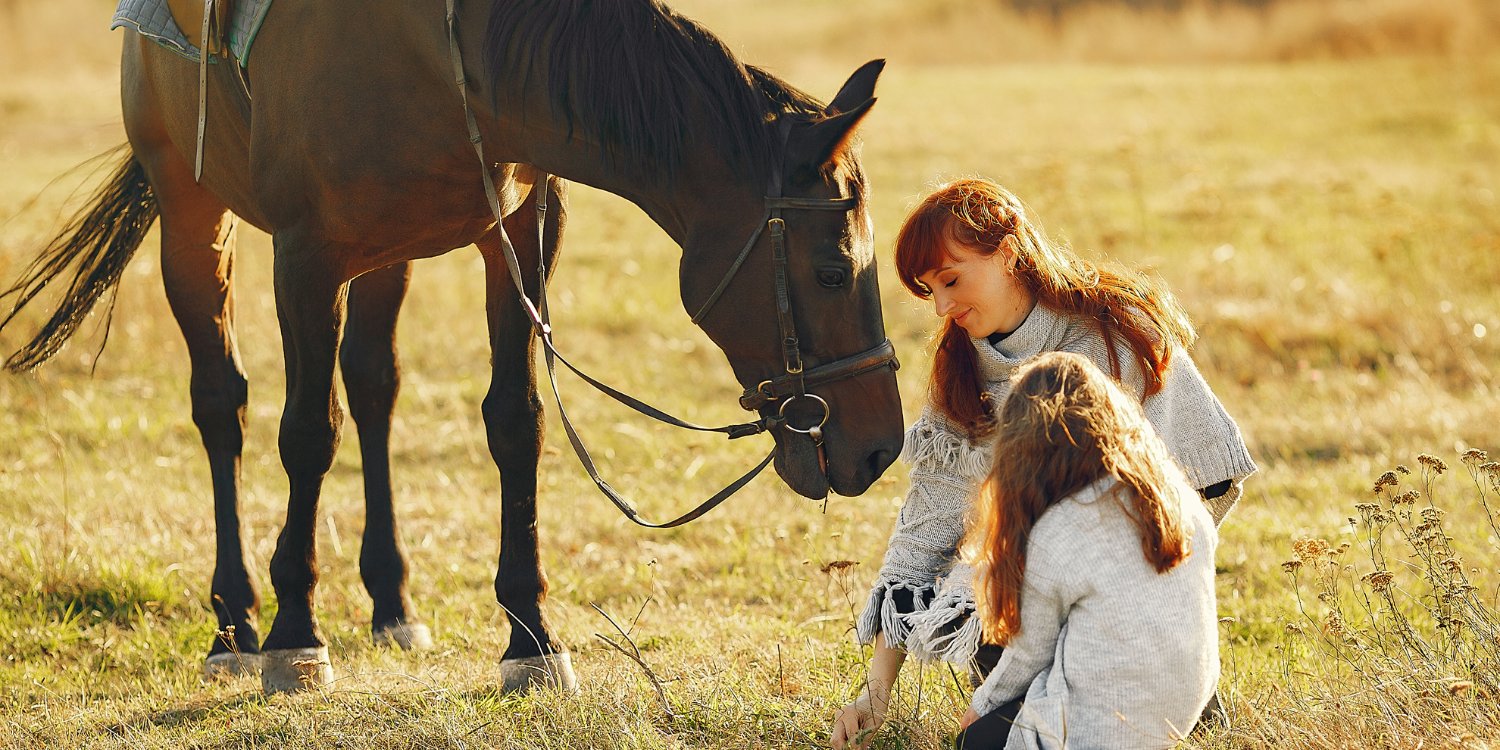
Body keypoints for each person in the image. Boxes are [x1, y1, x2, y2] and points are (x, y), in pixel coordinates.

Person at [830, 178, 1254, 750]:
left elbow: (1201, 487)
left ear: (1007, 251)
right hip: (1037, 598)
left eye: (951, 280)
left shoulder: (1117, 336)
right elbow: (925, 528)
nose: (942, 308)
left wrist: (1127, 594)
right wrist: (876, 690)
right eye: (929, 290)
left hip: (1141, 604)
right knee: (988, 600)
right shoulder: (960, 371)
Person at [954, 351, 1219, 749]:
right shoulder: (1177, 501)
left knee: (976, 741)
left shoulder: (1060, 531)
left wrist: (981, 706)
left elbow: (1029, 655)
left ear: (1022, 451)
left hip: (1102, 732)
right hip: (1181, 709)